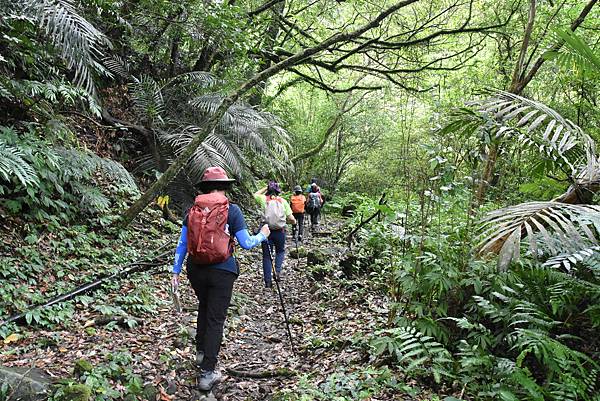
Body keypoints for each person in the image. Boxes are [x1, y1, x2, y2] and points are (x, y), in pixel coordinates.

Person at [172, 166, 270, 391]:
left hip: (195, 270)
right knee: (215, 319)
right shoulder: (232, 210)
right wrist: (262, 236)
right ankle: (207, 373)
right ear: (225, 187)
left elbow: (182, 244)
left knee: (204, 307)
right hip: (222, 271)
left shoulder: (193, 210)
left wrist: (175, 272)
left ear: (204, 188)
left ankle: (200, 353)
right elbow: (246, 243)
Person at [254, 181, 296, 289]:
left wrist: (265, 188)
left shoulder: (263, 199)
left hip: (266, 231)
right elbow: (291, 218)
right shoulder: (283, 201)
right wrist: (292, 222)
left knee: (267, 257)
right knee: (280, 251)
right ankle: (277, 271)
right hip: (279, 232)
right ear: (278, 191)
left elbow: (255, 194)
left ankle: (268, 282)